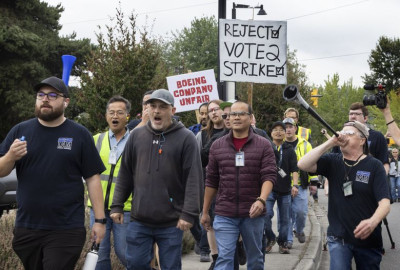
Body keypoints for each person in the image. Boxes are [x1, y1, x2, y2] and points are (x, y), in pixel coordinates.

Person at [0, 76, 106, 269]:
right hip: (27, 227)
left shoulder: (80, 134)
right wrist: (10, 156)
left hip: (66, 228)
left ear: (66, 102)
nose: (45, 99)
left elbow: (92, 178)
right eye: (40, 94)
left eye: (51, 95)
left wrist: (99, 220)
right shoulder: (20, 131)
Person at [110, 89, 203, 270]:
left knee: (170, 266)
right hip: (139, 220)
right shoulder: (136, 136)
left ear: (173, 111)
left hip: (172, 222)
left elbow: (194, 178)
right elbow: (125, 173)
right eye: (153, 106)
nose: (157, 111)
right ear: (147, 108)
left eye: (162, 107)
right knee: (135, 264)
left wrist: (189, 213)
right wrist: (117, 205)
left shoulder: (186, 138)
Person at [298, 121, 390, 269]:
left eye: (349, 133)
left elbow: (385, 203)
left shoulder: (375, 165)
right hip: (338, 237)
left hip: (368, 239)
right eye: (342, 132)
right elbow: (303, 164)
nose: (343, 135)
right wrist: (330, 142)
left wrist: (372, 222)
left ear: (362, 140)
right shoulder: (332, 160)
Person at [201, 101, 277, 270]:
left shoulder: (263, 145)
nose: (236, 117)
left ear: (250, 118)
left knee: (256, 259)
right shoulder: (217, 146)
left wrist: (262, 200)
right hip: (224, 213)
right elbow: (211, 180)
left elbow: (269, 175)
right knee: (225, 259)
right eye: (232, 114)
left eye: (241, 114)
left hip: (253, 214)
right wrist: (205, 211)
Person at [88, 95, 132, 269]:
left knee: (125, 252)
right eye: (111, 112)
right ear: (106, 116)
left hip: (125, 207)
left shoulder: (135, 140)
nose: (115, 116)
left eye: (120, 112)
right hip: (98, 208)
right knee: (99, 254)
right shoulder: (96, 139)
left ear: (127, 116)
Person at [196, 100, 225, 265]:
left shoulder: (233, 131)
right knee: (209, 219)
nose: (213, 113)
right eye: (210, 110)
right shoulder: (202, 135)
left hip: (229, 183)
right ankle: (214, 256)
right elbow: (198, 160)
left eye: (216, 109)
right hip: (210, 183)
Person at [264, 121, 299, 255]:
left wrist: (295, 185)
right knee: (265, 215)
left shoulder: (289, 150)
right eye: (275, 129)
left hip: (285, 190)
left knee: (285, 219)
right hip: (269, 189)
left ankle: (283, 242)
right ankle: (270, 238)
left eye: (281, 130)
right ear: (271, 133)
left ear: (285, 133)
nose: (278, 132)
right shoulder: (267, 147)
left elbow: (294, 169)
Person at [282, 117, 314, 247]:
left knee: (301, 212)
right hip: (283, 186)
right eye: (285, 127)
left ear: (295, 128)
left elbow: (313, 163)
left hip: (301, 185)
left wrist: (314, 183)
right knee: (286, 215)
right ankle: (288, 240)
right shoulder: (279, 145)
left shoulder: (306, 144)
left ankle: (299, 230)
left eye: (290, 127)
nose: (288, 130)